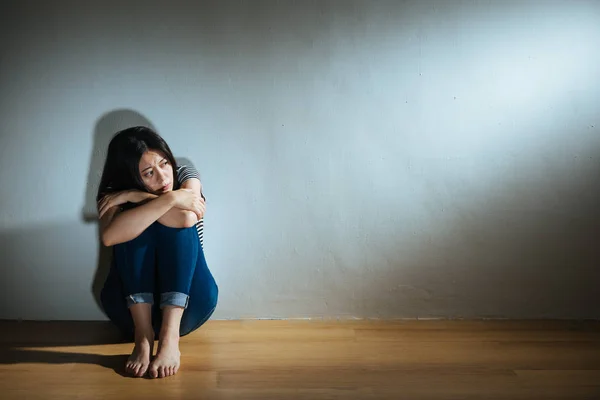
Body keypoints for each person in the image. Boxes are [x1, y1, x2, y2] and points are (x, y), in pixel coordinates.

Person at [96, 126, 218, 378]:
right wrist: (165, 199)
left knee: (176, 225)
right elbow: (110, 236)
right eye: (149, 173)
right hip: (128, 309)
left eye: (164, 164)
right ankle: (142, 338)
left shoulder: (185, 173)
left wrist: (137, 196)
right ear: (129, 175)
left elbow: (186, 218)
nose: (163, 178)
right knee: (129, 226)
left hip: (191, 302)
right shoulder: (114, 192)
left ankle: (169, 338)